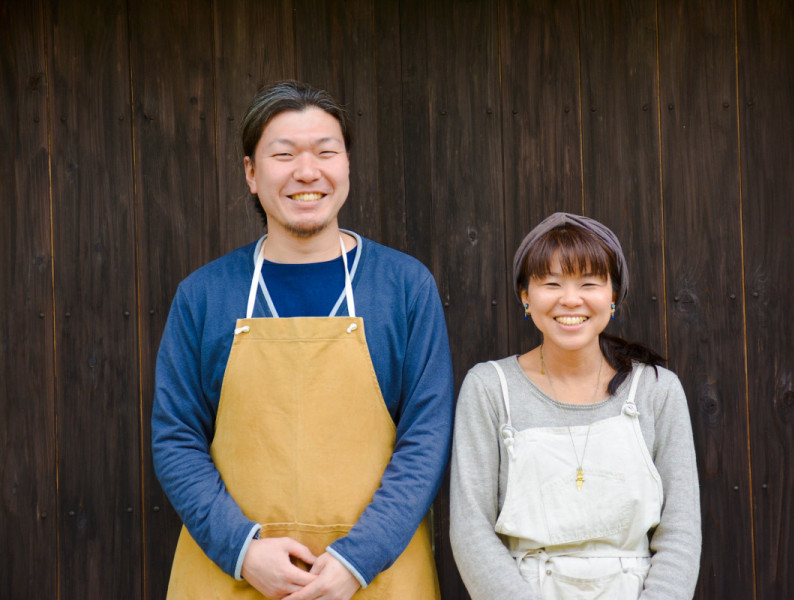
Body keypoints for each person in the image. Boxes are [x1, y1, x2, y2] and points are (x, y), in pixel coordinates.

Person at [152, 81, 454, 600]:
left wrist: (356, 560)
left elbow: (425, 439)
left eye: (326, 152)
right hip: (232, 577)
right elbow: (176, 439)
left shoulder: (404, 288)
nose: (307, 172)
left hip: (373, 579)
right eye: (284, 154)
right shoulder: (204, 295)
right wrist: (243, 550)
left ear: (348, 167)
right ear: (251, 172)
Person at [450, 212, 701, 599]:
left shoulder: (655, 390)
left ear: (613, 295)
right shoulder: (489, 388)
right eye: (551, 283)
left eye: (589, 283)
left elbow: (680, 529)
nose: (570, 299)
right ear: (525, 296)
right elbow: (471, 529)